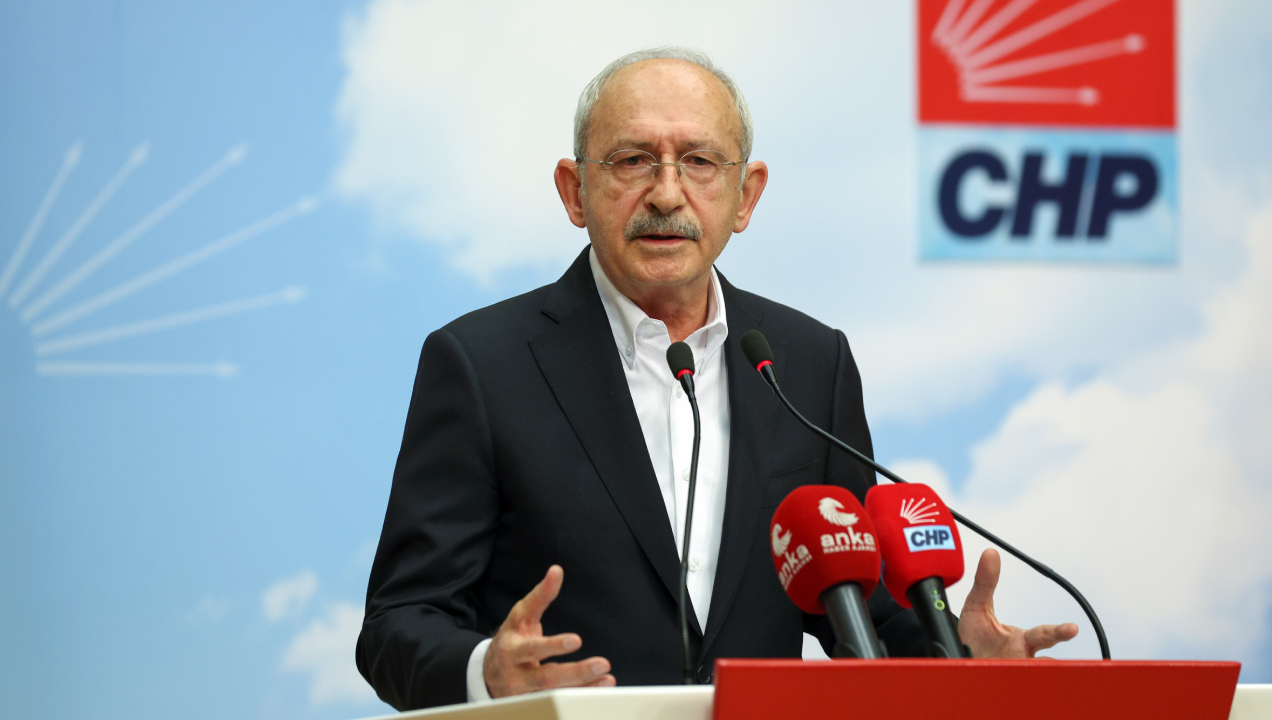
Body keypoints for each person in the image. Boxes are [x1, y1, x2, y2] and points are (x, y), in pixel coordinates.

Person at [357, 47, 1078, 711]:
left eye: (700, 161)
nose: (667, 194)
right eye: (633, 160)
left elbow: (859, 608)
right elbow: (398, 623)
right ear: (575, 192)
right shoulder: (484, 364)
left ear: (745, 196)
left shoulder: (807, 362)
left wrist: (955, 656)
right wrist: (487, 673)